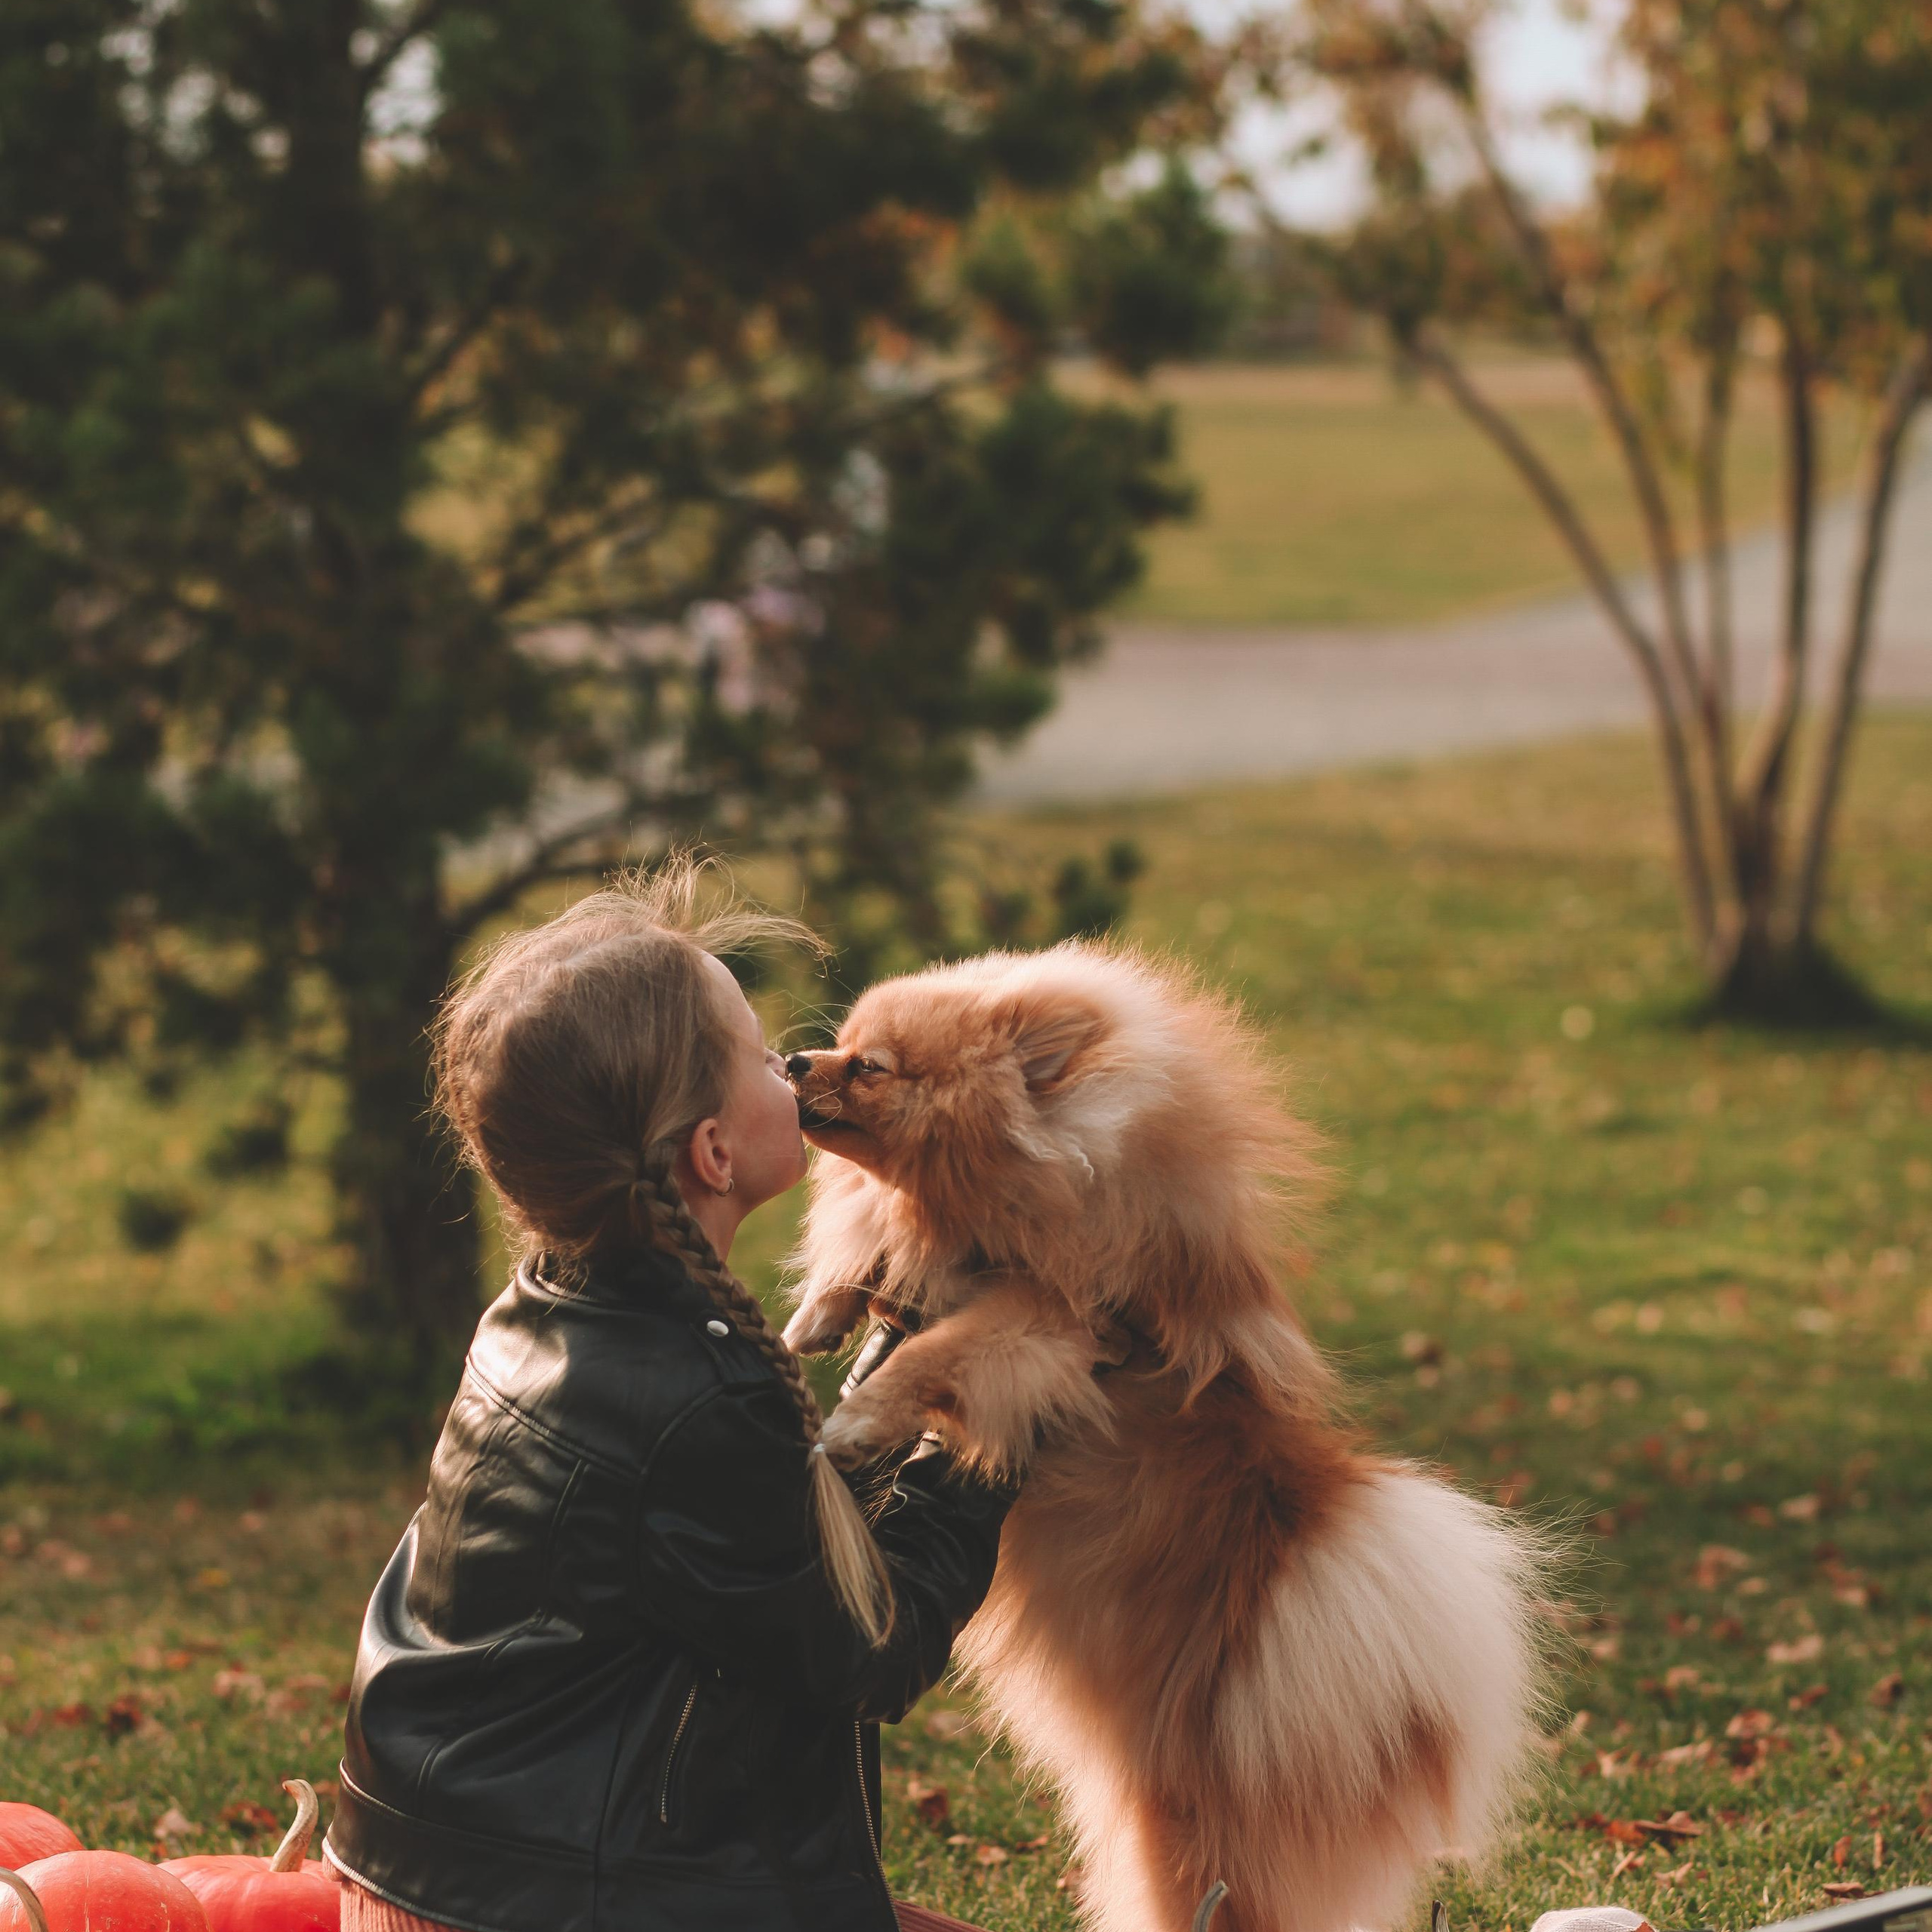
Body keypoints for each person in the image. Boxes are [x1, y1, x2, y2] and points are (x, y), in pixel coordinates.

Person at [321, 864, 1020, 1932]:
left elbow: (779, 1540)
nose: (791, 1064)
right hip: (553, 1899)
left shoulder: (550, 1312)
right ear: (713, 1151)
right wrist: (996, 1422)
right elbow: (873, 1645)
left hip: (446, 1869)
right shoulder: (693, 1400)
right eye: (756, 1053)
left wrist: (905, 1337)